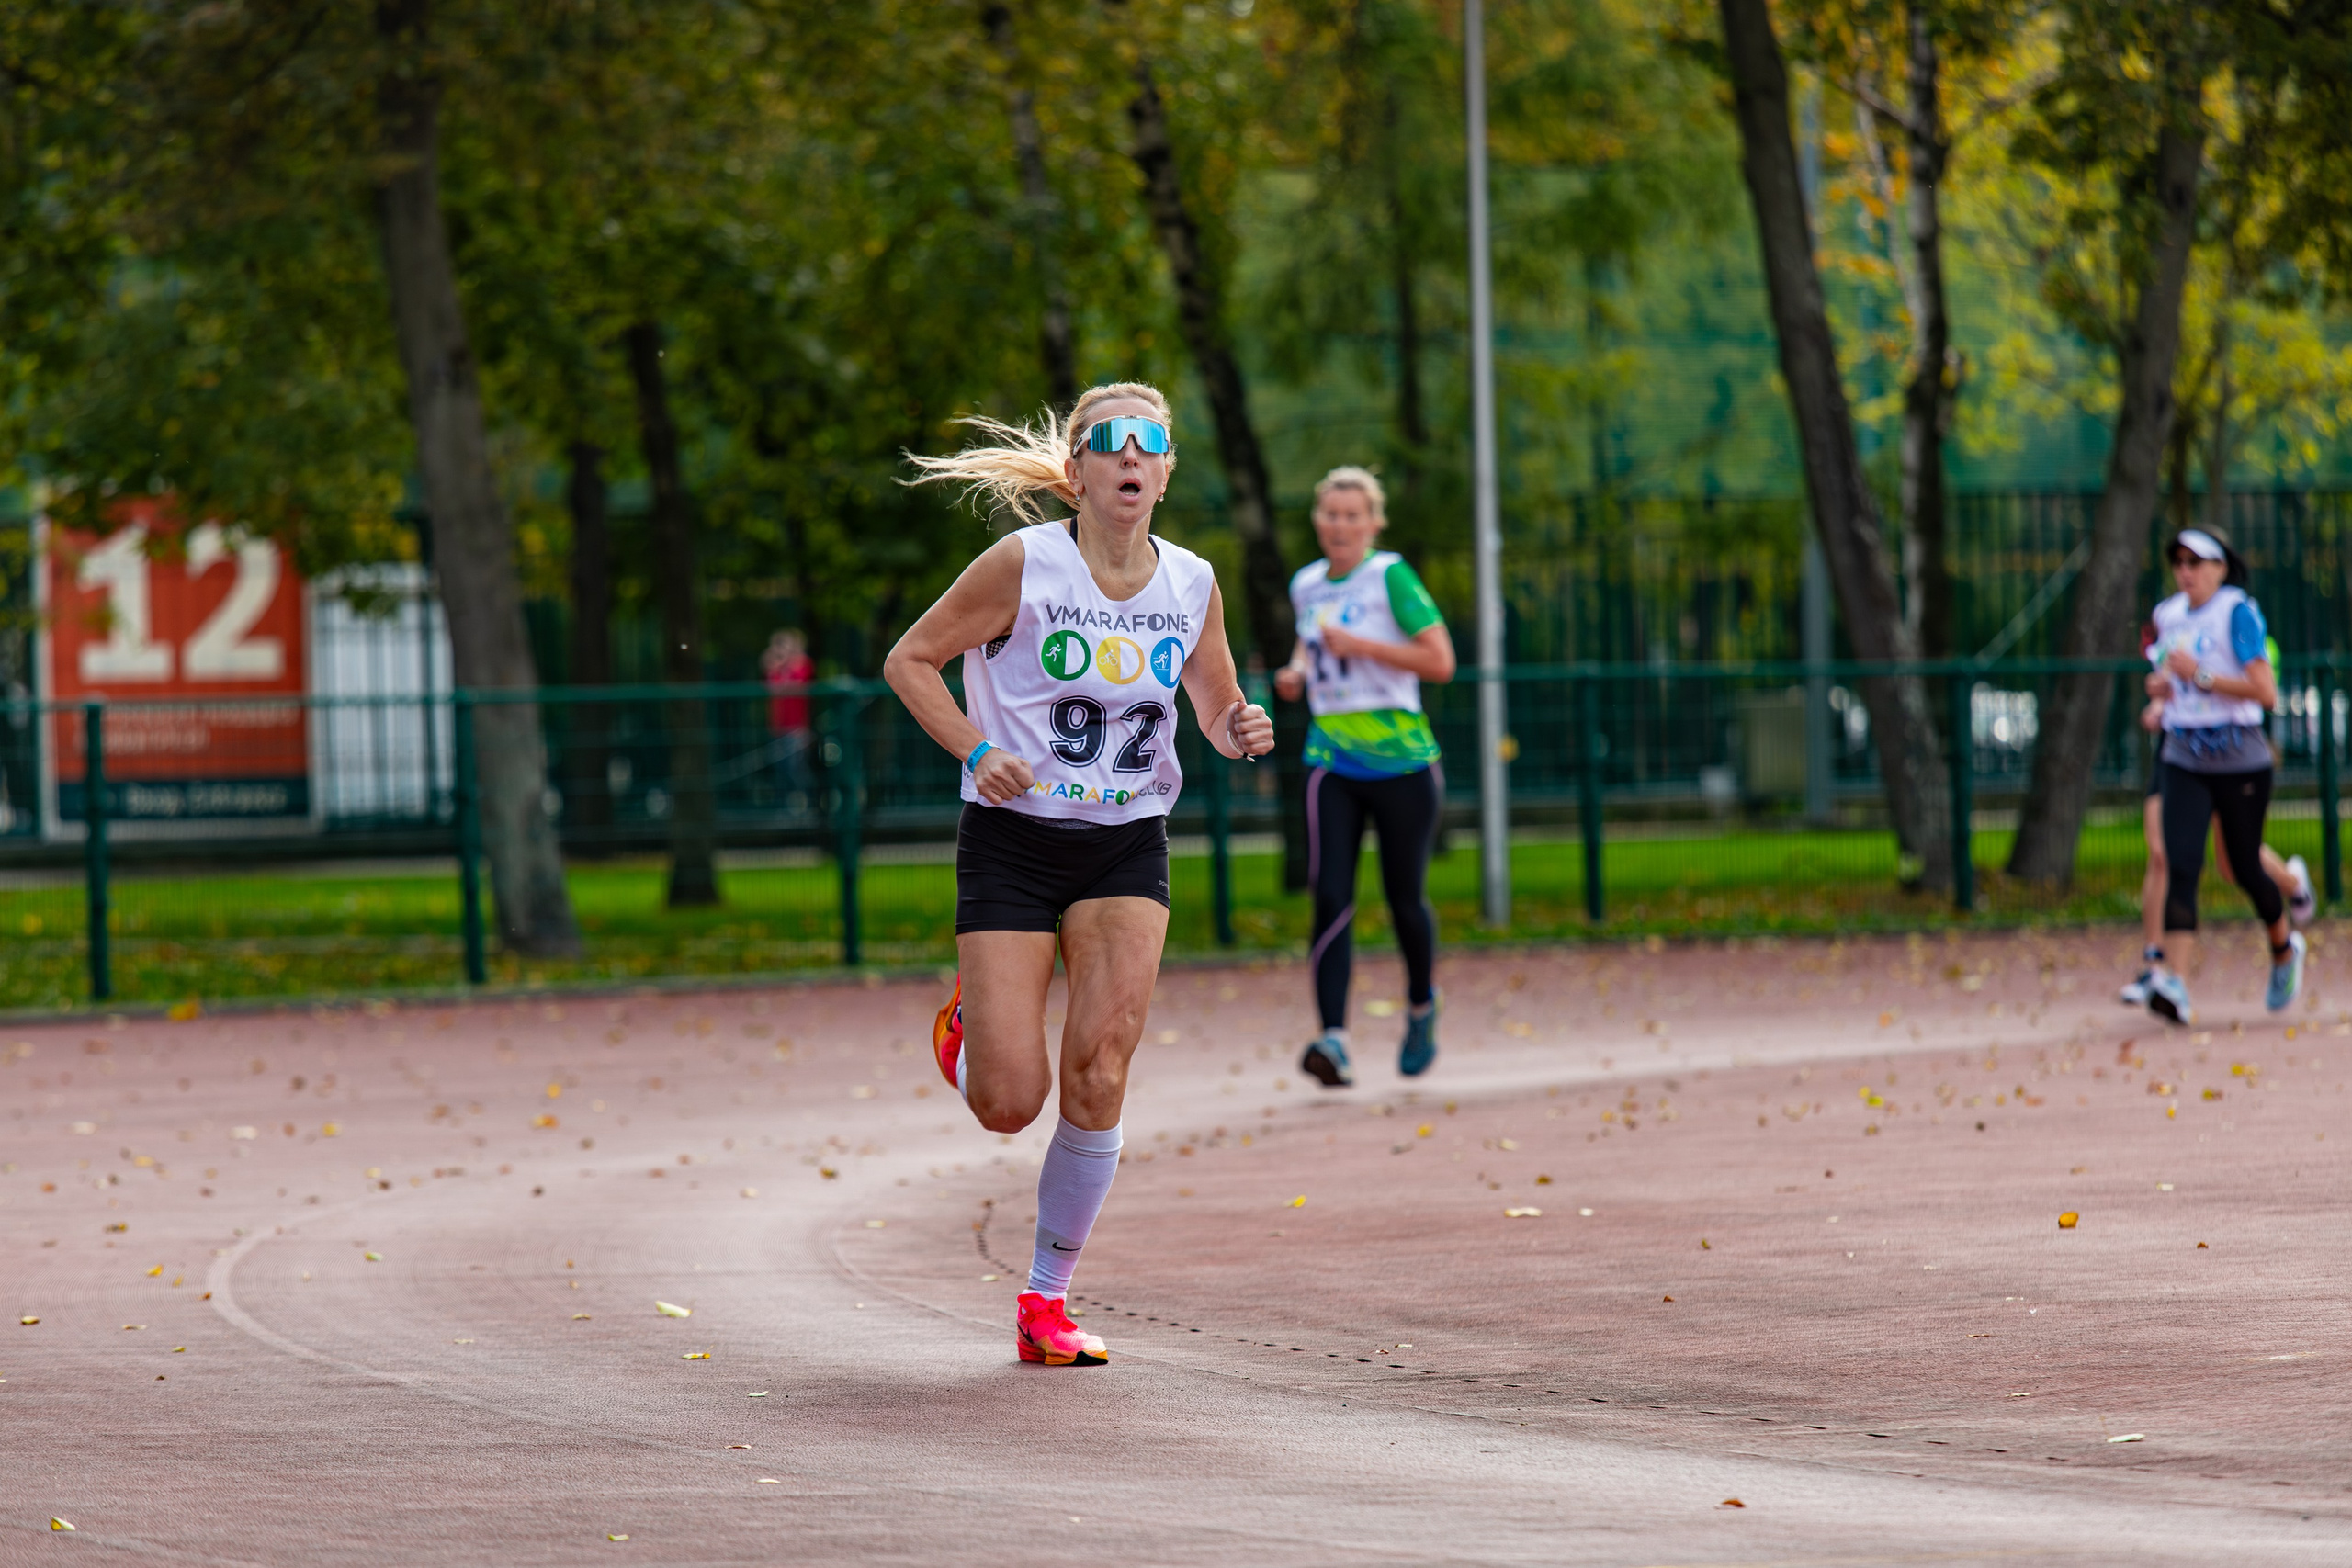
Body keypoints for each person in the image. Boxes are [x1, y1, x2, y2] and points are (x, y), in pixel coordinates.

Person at [885, 383, 1273, 1367]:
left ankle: (1045, 1299)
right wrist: (977, 752)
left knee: (1099, 1069)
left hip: (1124, 844)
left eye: (1151, 443)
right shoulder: (1024, 565)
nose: (1132, 457)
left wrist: (1240, 727)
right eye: (1111, 443)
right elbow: (910, 661)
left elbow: (1217, 698)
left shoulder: (1190, 583)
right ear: (1077, 472)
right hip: (1014, 840)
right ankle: (971, 1029)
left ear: (1167, 469)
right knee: (1008, 1102)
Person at [1272, 467, 1455, 1089]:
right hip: (1332, 758)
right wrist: (1296, 673)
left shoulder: (1390, 576)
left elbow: (1441, 661)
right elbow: (1310, 643)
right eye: (1331, 514)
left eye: (1354, 515)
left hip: (1403, 760)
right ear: (1318, 520)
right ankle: (1334, 1039)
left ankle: (1422, 1007)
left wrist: (1363, 646)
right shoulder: (1307, 584)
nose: (1341, 525)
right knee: (1329, 896)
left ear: (1373, 522)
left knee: (1405, 899)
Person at [2134, 527, 2305, 1026]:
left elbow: (2266, 693)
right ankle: (2176, 984)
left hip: (2239, 760)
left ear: (2220, 567)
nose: (2185, 570)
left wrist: (2199, 676)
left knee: (2244, 868)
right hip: (2183, 754)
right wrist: (2161, 690)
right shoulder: (2167, 616)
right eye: (2178, 561)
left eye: (2196, 561)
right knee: (2182, 865)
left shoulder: (2237, 612)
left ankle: (2283, 950)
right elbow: (2172, 679)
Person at [761, 628, 817, 810]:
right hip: (778, 728)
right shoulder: (777, 670)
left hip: (797, 729)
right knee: (781, 770)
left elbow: (795, 685)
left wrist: (784, 664)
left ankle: (810, 806)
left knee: (797, 769)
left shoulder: (803, 665)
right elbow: (772, 686)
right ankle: (783, 808)